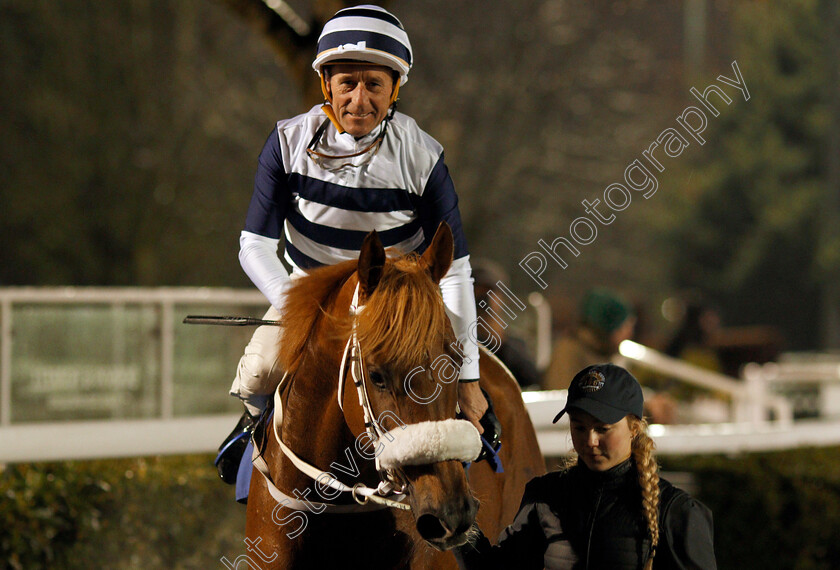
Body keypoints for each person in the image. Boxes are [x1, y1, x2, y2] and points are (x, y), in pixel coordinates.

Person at [216, 4, 488, 482]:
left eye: (374, 85)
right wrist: (301, 307)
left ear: (394, 89)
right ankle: (250, 450)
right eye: (347, 83)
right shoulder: (285, 142)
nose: (360, 99)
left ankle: (476, 468)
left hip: (399, 299)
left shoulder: (423, 157)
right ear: (327, 86)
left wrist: (468, 377)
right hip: (308, 291)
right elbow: (252, 244)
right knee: (259, 371)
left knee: (435, 381)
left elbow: (458, 269)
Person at [454, 363, 717, 570]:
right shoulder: (545, 495)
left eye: (603, 429)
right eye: (579, 427)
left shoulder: (676, 511)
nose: (590, 440)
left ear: (634, 428)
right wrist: (457, 522)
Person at [544, 287, 635, 391]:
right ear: (608, 328)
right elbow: (562, 398)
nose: (629, 334)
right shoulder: (569, 353)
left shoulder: (602, 354)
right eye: (623, 327)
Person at [471, 258, 542, 389]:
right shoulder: (460, 343)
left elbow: (530, 378)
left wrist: (498, 339)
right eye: (478, 292)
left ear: (501, 297)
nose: (484, 299)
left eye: (490, 292)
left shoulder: (515, 344)